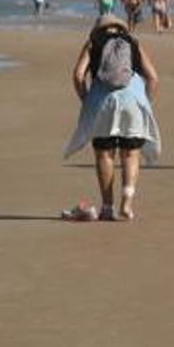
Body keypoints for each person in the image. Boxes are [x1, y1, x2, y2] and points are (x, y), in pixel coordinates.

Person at [64, 14, 161, 221]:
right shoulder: (133, 42)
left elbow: (78, 75)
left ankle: (107, 208)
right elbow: (153, 77)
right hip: (133, 101)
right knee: (131, 153)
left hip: (102, 101)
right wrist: (145, 104)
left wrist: (86, 100)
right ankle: (127, 203)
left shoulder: (93, 43)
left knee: (104, 154)